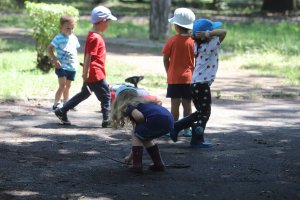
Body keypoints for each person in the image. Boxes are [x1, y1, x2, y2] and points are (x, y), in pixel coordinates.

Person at [54, 6, 117, 127]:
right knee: (106, 95)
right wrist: (85, 72)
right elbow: (88, 55)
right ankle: (107, 119)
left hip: (91, 72)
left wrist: (86, 72)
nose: (108, 25)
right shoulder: (96, 38)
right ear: (102, 21)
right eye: (108, 22)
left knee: (84, 93)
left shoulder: (92, 35)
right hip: (95, 72)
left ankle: (62, 110)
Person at [170, 18, 227, 148]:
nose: (213, 32)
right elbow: (223, 32)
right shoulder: (211, 44)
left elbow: (219, 33)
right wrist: (208, 34)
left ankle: (177, 126)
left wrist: (202, 35)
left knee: (201, 112)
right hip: (202, 84)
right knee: (205, 113)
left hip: (194, 84)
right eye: (211, 31)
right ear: (206, 33)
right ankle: (197, 139)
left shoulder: (197, 45)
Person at [111, 85, 174, 173]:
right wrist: (129, 157)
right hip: (169, 121)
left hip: (156, 119)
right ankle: (159, 164)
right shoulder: (144, 103)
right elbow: (140, 138)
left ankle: (137, 165)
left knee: (135, 133)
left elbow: (139, 116)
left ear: (119, 100)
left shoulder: (129, 106)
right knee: (143, 137)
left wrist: (141, 121)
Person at [162, 8, 195, 137]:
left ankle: (173, 127)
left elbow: (165, 58)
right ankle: (187, 129)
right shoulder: (193, 41)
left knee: (174, 104)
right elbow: (197, 58)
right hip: (189, 78)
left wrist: (169, 71)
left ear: (176, 26)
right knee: (187, 103)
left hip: (174, 78)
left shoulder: (172, 40)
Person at [47, 14, 80, 110]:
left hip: (72, 67)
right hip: (61, 66)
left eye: (72, 28)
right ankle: (55, 104)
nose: (70, 31)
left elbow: (75, 50)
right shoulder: (58, 38)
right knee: (62, 85)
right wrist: (55, 60)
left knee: (68, 86)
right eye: (67, 28)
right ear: (61, 27)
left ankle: (66, 104)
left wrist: (77, 61)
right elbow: (49, 49)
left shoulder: (74, 38)